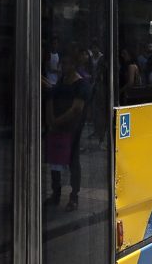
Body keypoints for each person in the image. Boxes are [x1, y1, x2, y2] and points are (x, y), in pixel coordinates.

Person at [45, 52, 91, 211]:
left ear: (74, 65)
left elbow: (76, 109)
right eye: (62, 63)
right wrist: (52, 121)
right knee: (55, 161)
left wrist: (55, 121)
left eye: (67, 63)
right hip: (58, 128)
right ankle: (56, 193)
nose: (64, 66)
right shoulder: (61, 81)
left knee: (73, 161)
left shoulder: (81, 84)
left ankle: (74, 196)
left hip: (72, 129)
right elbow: (52, 96)